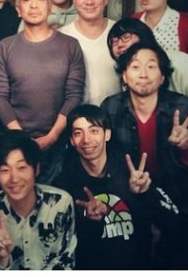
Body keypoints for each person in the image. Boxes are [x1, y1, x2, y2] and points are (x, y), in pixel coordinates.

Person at [101, 43, 188, 269]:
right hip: (133, 201)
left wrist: (186, 148)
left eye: (151, 66)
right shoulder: (111, 108)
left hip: (184, 202)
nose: (143, 74)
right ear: (124, 76)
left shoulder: (183, 107)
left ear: (163, 77)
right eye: (135, 67)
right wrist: (127, 184)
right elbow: (106, 161)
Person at [55, 104, 180, 269]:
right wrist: (86, 219)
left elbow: (174, 223)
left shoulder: (133, 173)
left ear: (107, 134)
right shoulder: (63, 185)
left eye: (94, 131)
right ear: (72, 140)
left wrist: (145, 194)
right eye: (78, 133)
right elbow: (57, 246)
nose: (86, 140)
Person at [0, 0, 85, 183]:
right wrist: (22, 139)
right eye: (27, 0)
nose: (33, 6)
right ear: (18, 10)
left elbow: (74, 94)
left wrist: (52, 136)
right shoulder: (5, 47)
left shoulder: (70, 45)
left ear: (50, 7)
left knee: (57, 196)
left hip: (59, 141)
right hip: (15, 142)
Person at [107, 17, 188, 166]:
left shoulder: (183, 65)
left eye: (126, 37)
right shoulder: (113, 105)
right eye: (113, 41)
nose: (119, 44)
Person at [0, 130, 77, 270]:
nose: (14, 178)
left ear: (36, 169)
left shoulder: (61, 204)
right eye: (5, 170)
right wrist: (1, 260)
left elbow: (65, 261)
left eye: (21, 167)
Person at [60, 0, 120, 105]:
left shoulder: (120, 33)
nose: (89, 1)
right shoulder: (62, 36)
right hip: (75, 115)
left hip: (115, 113)